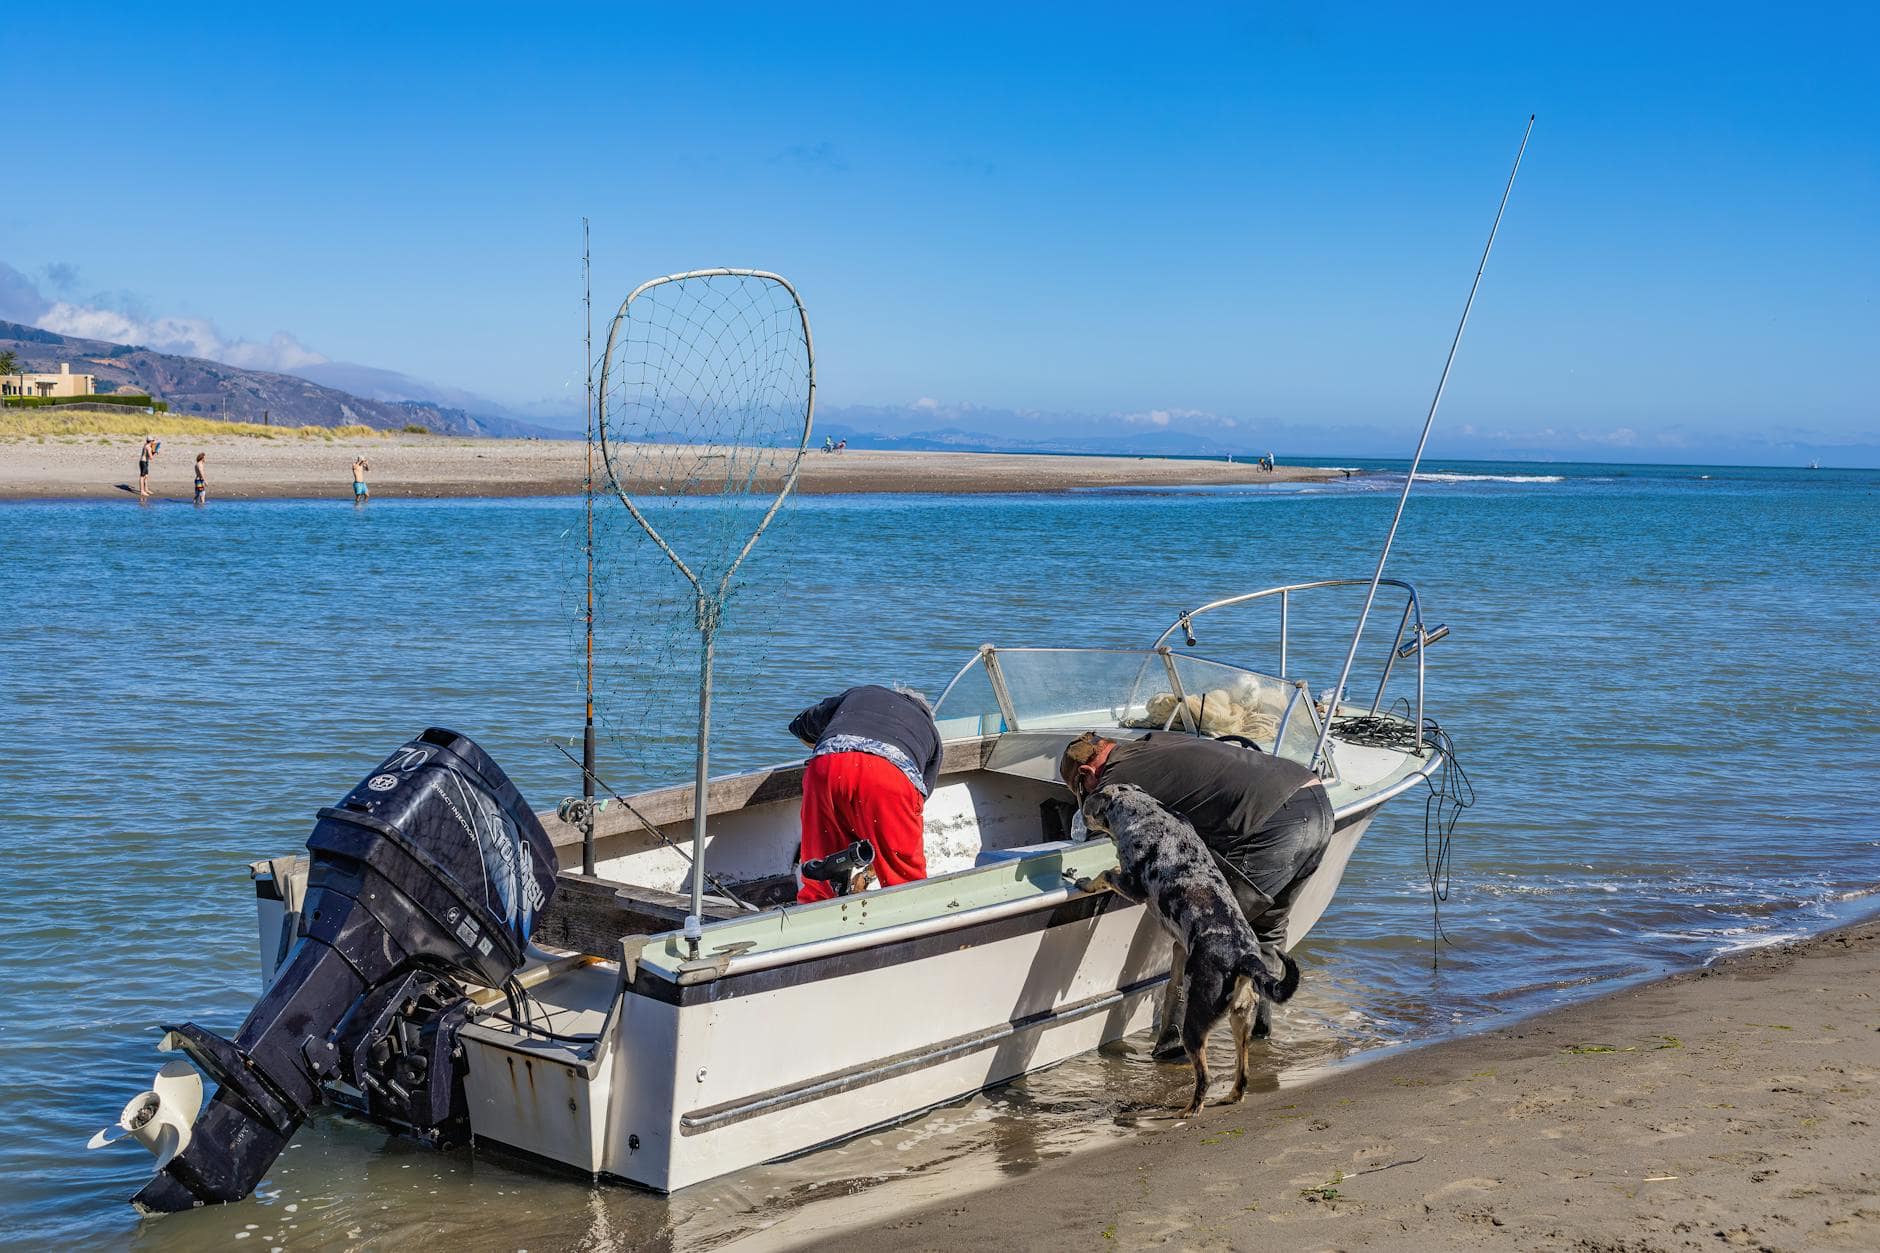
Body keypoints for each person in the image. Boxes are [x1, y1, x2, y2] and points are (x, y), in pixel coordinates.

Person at [1060, 729, 1332, 1048]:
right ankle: (1259, 1041)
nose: (1086, 801)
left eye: (1080, 792)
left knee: (1199, 933)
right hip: (1314, 800)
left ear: (1086, 773)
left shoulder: (1113, 785)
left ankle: (1173, 1043)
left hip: (1270, 824)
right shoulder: (1149, 742)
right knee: (1265, 930)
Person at [790, 685, 942, 903]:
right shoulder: (929, 731)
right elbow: (912, 802)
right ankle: (910, 916)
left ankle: (815, 916)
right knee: (905, 878)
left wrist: (837, 754)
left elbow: (799, 725)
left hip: (826, 765)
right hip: (889, 775)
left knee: (820, 869)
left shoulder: (860, 694)